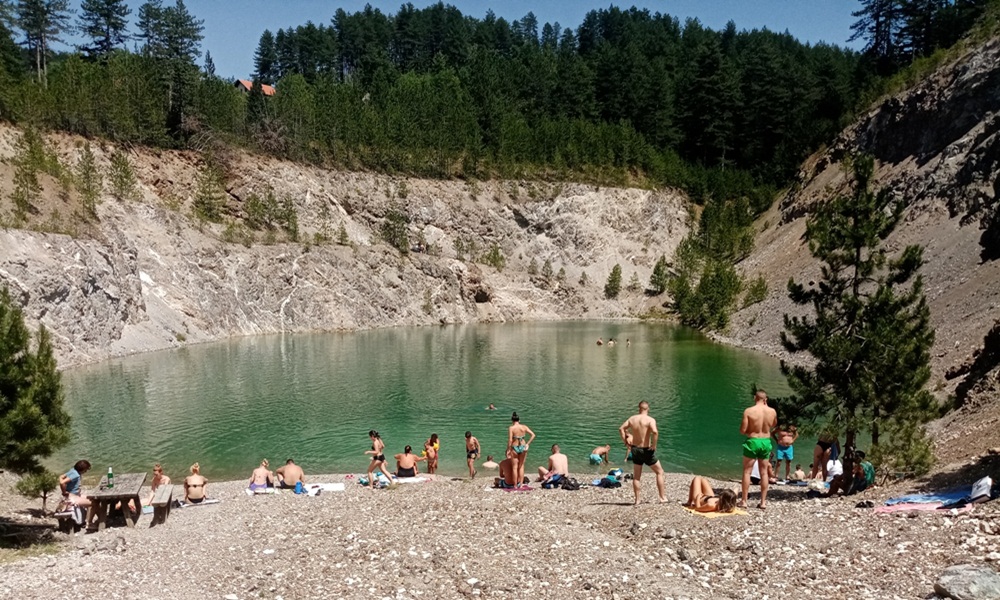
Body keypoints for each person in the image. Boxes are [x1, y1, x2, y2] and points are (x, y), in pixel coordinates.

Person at [619, 401, 667, 505]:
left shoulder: (632, 419)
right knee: (659, 472)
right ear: (647, 408)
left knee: (636, 477)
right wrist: (654, 445)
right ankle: (662, 498)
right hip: (646, 450)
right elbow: (655, 432)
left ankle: (637, 500)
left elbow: (621, 428)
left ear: (639, 408)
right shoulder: (650, 420)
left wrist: (626, 442)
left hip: (635, 449)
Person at [740, 390, 777, 509]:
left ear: (755, 398)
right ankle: (763, 502)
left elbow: (742, 430)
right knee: (764, 472)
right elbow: (773, 424)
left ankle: (744, 501)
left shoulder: (749, 411)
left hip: (753, 441)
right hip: (766, 441)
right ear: (765, 399)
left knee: (747, 472)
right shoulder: (772, 411)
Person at [508, 412, 536, 489]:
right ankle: (521, 484)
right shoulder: (524, 427)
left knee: (514, 467)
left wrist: (508, 449)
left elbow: (510, 440)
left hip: (515, 447)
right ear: (519, 420)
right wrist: (528, 443)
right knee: (521, 466)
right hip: (523, 446)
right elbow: (533, 435)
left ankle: (515, 485)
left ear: (512, 420)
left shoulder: (511, 428)